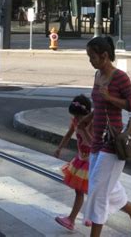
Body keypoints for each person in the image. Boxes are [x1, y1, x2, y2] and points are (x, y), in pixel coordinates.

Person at [80, 36, 131, 237]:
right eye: (89, 56)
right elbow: (99, 105)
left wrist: (110, 98)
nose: (90, 60)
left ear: (105, 56)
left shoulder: (120, 78)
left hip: (113, 142)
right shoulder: (98, 75)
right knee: (102, 186)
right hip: (97, 141)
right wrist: (88, 119)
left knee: (98, 193)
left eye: (92, 57)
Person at [54, 94, 93, 231]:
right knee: (81, 191)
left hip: (91, 161)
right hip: (80, 160)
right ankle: (87, 217)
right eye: (75, 116)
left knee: (89, 191)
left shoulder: (92, 123)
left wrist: (84, 128)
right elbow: (69, 134)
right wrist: (59, 148)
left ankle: (74, 219)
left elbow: (94, 143)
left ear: (87, 114)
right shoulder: (76, 122)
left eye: (79, 116)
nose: (76, 119)